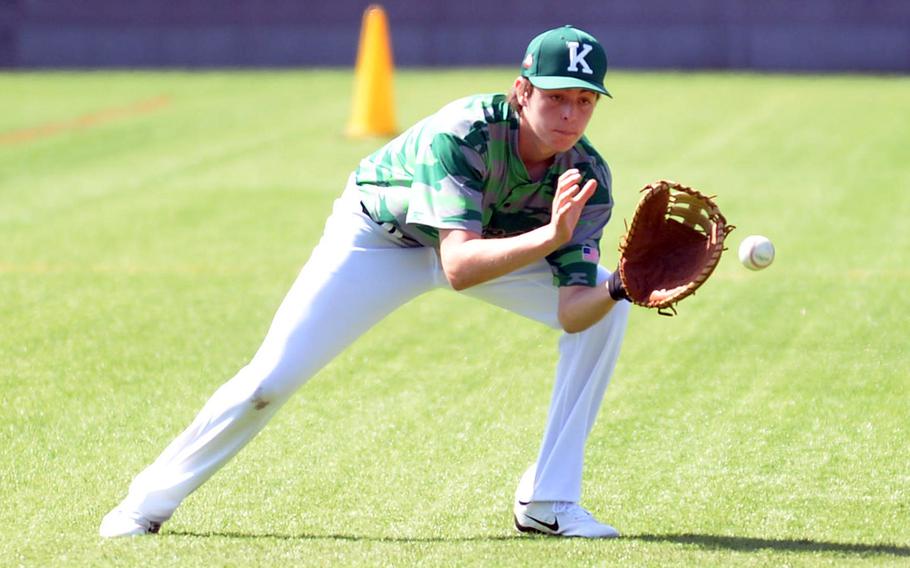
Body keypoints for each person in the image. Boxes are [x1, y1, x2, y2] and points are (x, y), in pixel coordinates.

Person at [100, 24, 634, 540]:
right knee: (269, 382)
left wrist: (620, 288)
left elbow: (571, 311)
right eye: (556, 96)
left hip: (482, 244)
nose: (570, 114)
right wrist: (548, 237)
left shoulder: (588, 176)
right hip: (380, 238)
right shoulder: (465, 132)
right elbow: (460, 267)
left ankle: (548, 501)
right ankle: (144, 505)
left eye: (584, 101)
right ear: (522, 90)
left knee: (609, 306)